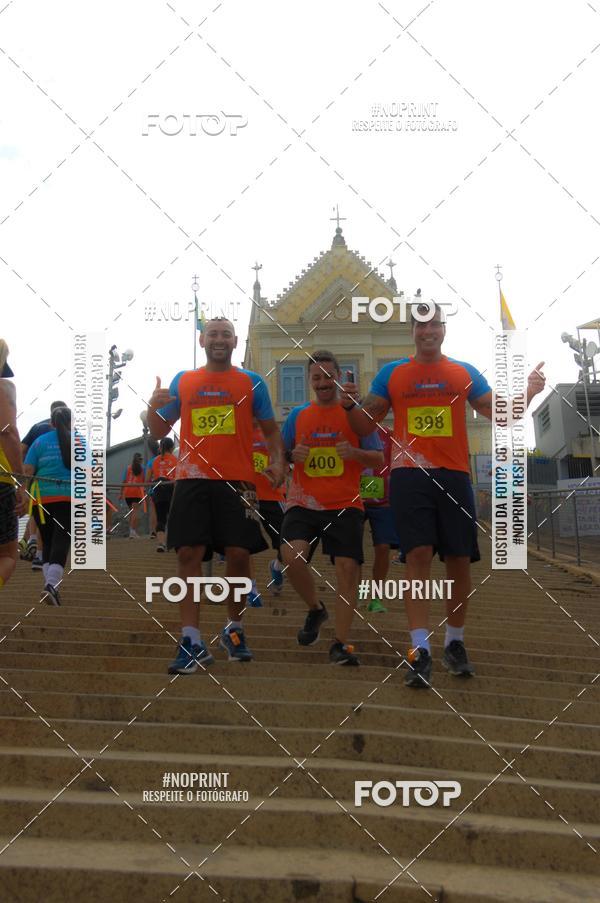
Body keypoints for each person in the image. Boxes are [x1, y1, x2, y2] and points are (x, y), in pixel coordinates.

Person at [343, 303, 546, 687]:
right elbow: (363, 422)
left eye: (435, 324)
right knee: (417, 555)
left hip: (454, 476)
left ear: (443, 329)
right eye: (421, 325)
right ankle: (419, 649)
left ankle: (455, 642)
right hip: (409, 477)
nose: (428, 331)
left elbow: (501, 414)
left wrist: (530, 392)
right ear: (413, 332)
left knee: (458, 559)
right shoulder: (393, 374)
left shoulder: (462, 372)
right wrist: (348, 403)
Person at [147, 317, 285, 673]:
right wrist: (152, 406)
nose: (219, 339)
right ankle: (191, 639)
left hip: (238, 482)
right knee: (189, 554)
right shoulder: (185, 380)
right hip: (191, 478)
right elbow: (160, 428)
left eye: (225, 334)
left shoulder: (251, 382)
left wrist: (278, 462)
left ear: (235, 341)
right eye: (213, 334)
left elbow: (271, 431)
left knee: (239, 554)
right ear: (202, 340)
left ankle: (234, 628)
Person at [280, 351, 383, 667]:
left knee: (348, 569)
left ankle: (340, 643)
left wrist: (353, 452)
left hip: (345, 503)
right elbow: (280, 456)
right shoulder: (297, 416)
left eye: (329, 377)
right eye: (317, 378)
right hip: (304, 502)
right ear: (310, 381)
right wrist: (288, 456)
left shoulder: (356, 414)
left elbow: (378, 459)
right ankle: (315, 608)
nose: (323, 383)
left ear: (340, 377)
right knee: (291, 557)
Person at [23, 406, 72, 606]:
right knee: (62, 539)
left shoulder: (38, 442)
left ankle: (50, 585)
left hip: (40, 497)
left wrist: (24, 495)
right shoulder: (79, 441)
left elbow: (27, 470)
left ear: (51, 422)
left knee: (49, 541)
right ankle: (51, 585)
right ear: (70, 422)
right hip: (68, 498)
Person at [19, 399, 67, 567]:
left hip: (36, 480)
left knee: (39, 516)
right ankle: (38, 554)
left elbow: (22, 448)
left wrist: (21, 475)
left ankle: (33, 545)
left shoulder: (37, 428)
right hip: (63, 489)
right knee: (56, 529)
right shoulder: (71, 434)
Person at [360, 428, 401, 613]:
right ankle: (358, 593)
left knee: (383, 547)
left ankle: (376, 597)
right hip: (353, 499)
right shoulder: (349, 430)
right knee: (350, 551)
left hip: (383, 500)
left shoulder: (390, 435)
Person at [248, 420, 287, 605]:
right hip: (246, 496)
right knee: (243, 546)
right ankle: (251, 589)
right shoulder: (237, 432)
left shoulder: (272, 433)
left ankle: (277, 567)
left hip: (272, 496)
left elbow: (285, 460)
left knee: (288, 546)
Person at [0, 341, 25, 589]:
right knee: (7, 556)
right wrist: (21, 482)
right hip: (1, 481)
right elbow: (7, 433)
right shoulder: (3, 387)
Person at [147, 437, 178, 552]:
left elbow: (147, 479)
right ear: (171, 447)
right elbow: (178, 478)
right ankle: (175, 544)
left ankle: (161, 544)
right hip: (171, 489)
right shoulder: (175, 460)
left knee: (161, 518)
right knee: (174, 517)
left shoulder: (154, 461)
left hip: (158, 489)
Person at [120, 452, 145, 538]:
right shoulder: (143, 468)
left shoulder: (128, 468)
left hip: (127, 493)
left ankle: (132, 531)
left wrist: (121, 493)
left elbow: (124, 481)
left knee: (132, 512)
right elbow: (145, 481)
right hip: (137, 492)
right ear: (140, 460)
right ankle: (132, 531)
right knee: (135, 512)